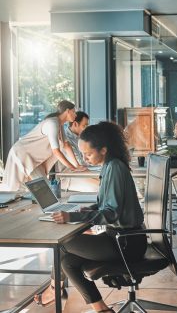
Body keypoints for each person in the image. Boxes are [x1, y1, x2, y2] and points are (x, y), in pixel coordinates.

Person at [33, 122, 146, 313]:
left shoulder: (115, 168)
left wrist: (74, 216)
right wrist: (88, 209)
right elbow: (109, 205)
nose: (84, 159)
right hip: (122, 239)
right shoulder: (111, 165)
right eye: (82, 154)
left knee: (60, 244)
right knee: (67, 262)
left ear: (103, 150)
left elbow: (111, 213)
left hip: (125, 243)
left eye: (88, 154)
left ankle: (54, 290)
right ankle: (101, 309)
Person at [0, 100, 86, 191]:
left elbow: (66, 145)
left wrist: (77, 165)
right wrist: (72, 167)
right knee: (16, 189)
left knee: (42, 190)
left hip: (33, 158)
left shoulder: (59, 124)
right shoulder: (52, 123)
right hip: (22, 154)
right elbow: (56, 151)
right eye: (74, 112)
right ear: (67, 111)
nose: (75, 115)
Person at [62, 111, 100, 192]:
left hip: (83, 171)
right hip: (71, 175)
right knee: (99, 187)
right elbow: (79, 164)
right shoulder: (66, 139)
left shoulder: (80, 137)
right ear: (75, 124)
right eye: (84, 125)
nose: (86, 128)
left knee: (107, 181)